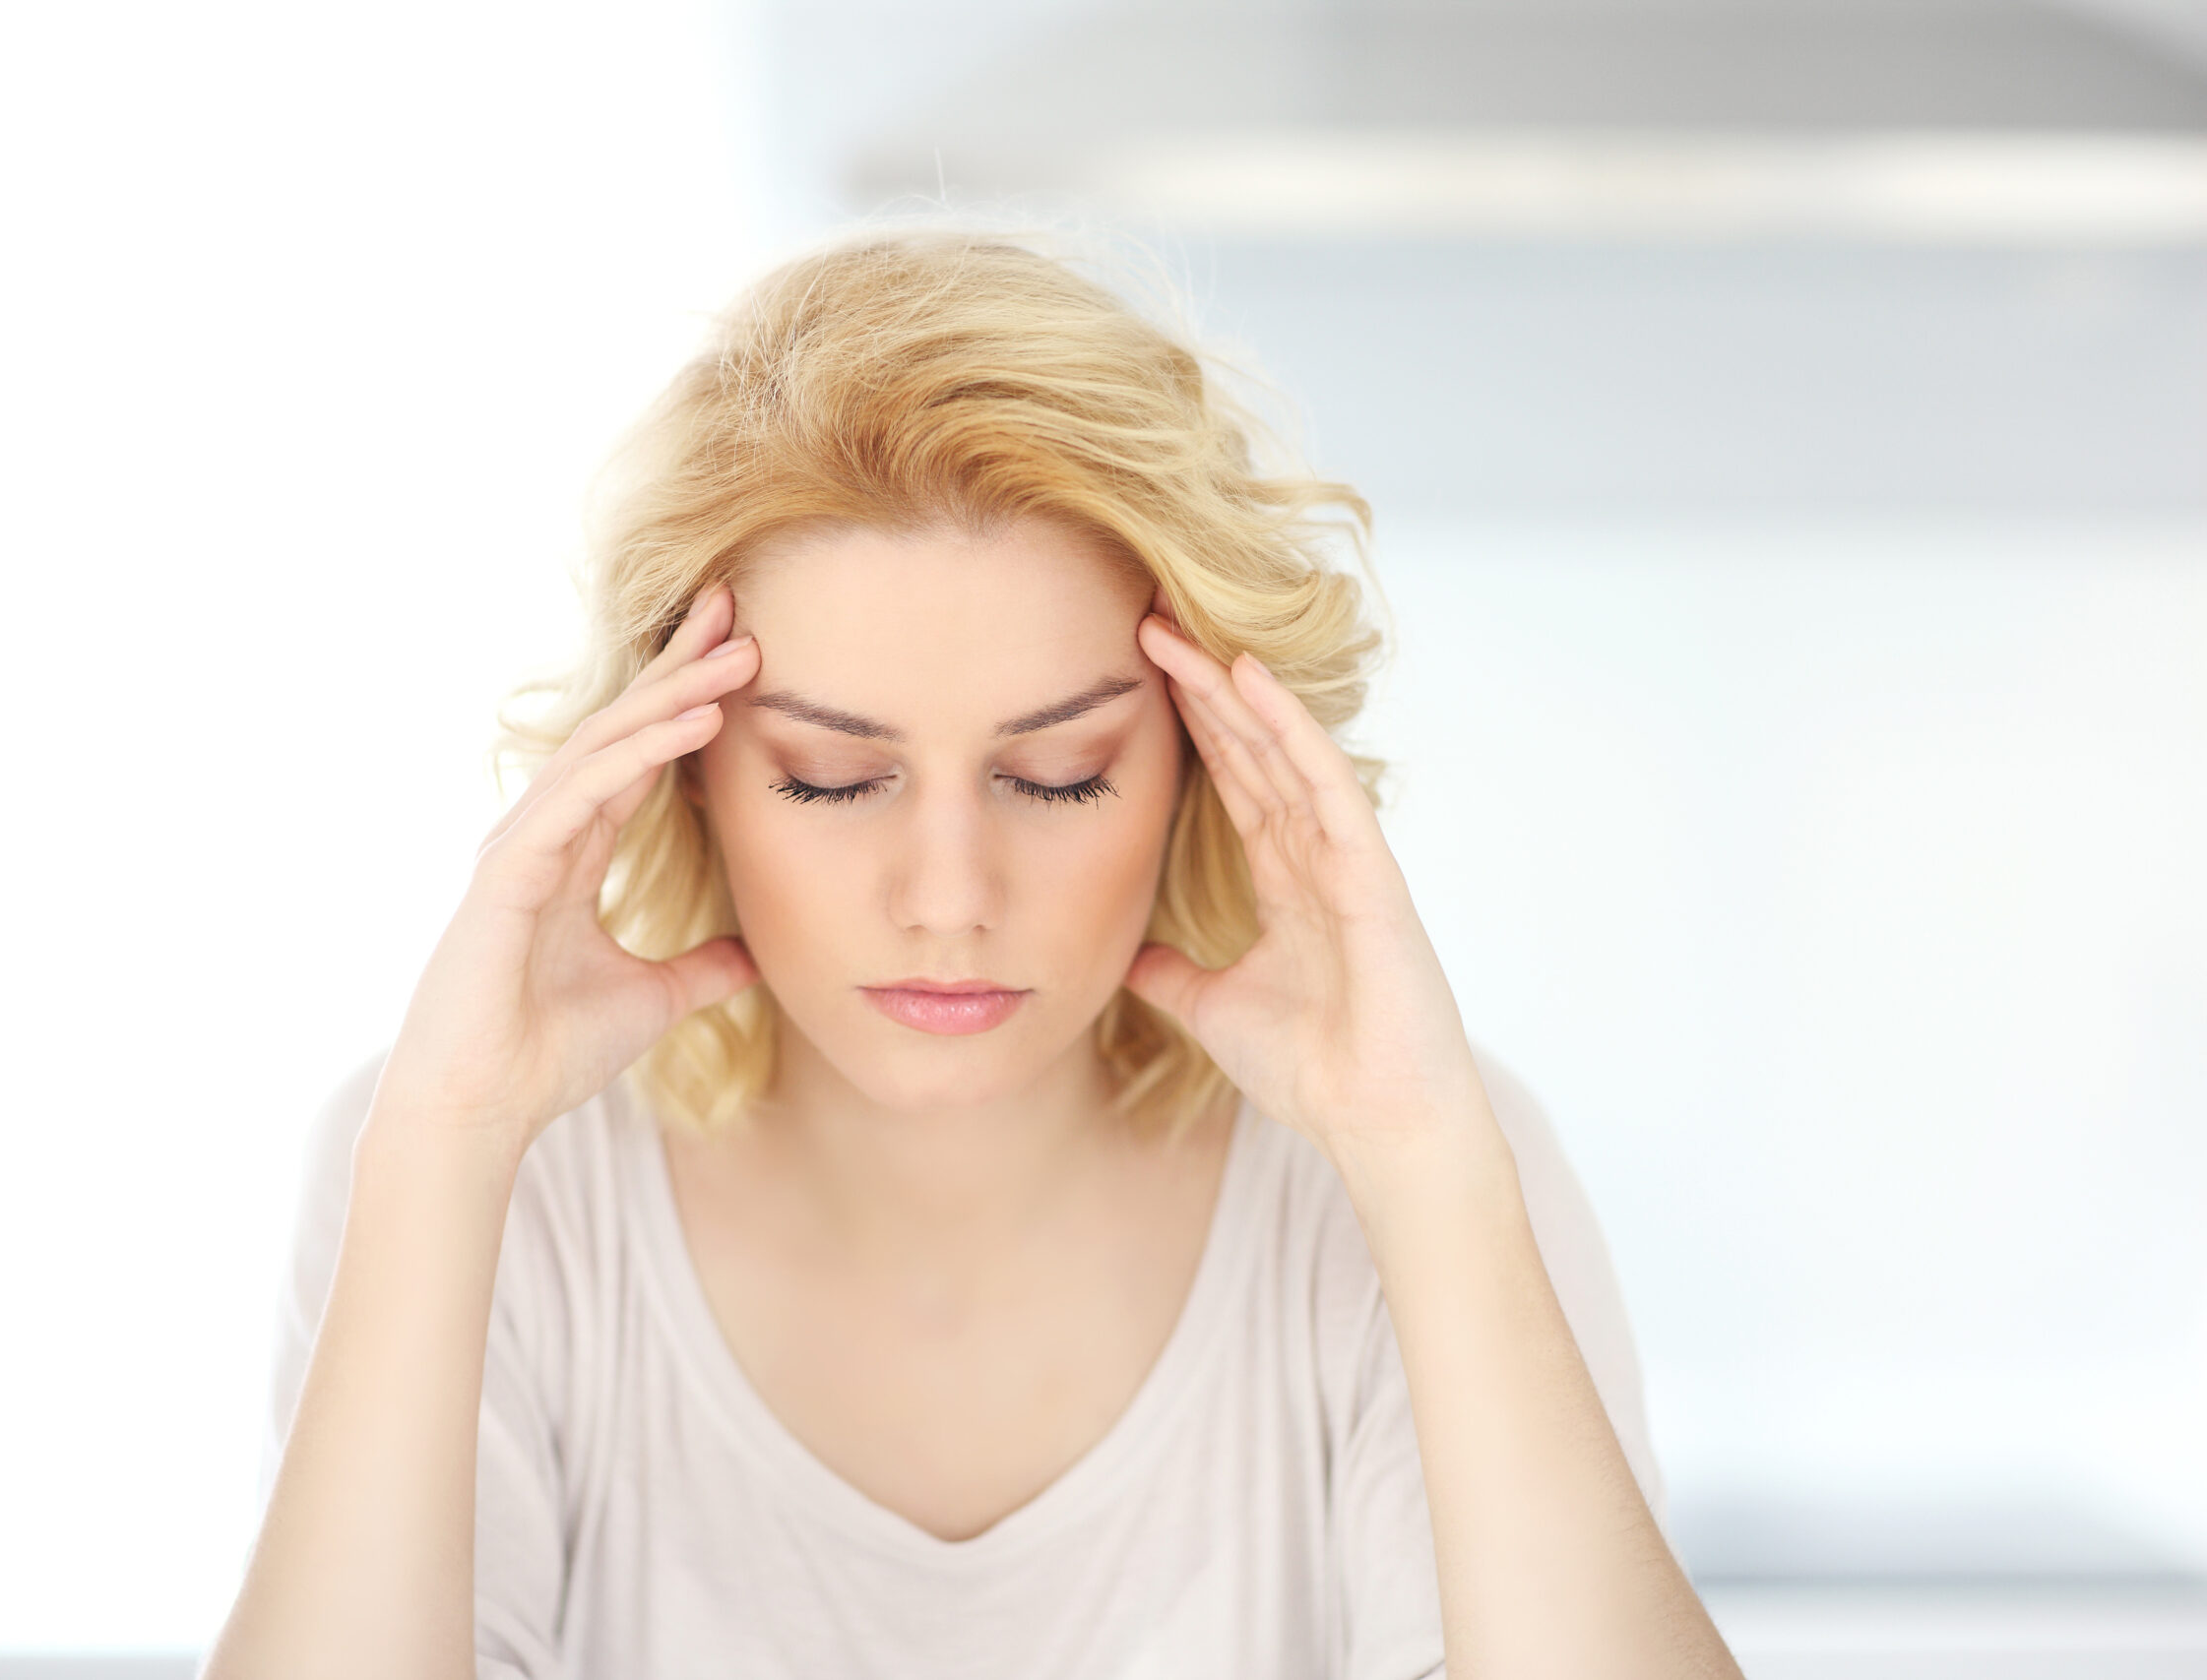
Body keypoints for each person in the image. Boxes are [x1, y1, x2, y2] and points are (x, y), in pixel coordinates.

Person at [201, 229, 1743, 1680]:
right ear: (683, 766)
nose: (949, 898)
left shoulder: (1413, 1168)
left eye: (1059, 775)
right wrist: (444, 1146)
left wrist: (1427, 1171)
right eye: (829, 777)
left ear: (1202, 761)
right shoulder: (490, 1180)